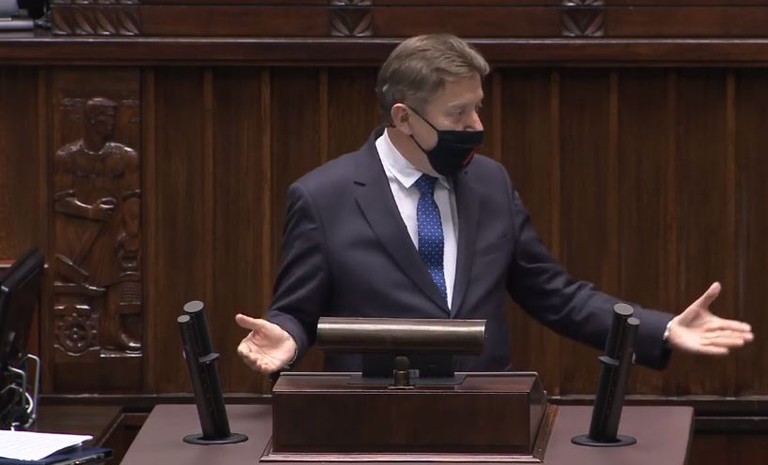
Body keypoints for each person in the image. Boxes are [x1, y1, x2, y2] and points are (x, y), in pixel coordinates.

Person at [236, 34, 753, 374]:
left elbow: (555, 295)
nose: (476, 126)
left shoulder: (489, 182)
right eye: (458, 113)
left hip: (490, 418)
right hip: (369, 423)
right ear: (404, 117)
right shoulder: (323, 196)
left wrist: (661, 328)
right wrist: (286, 336)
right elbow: (297, 310)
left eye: (478, 108)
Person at [53, 97, 142, 352]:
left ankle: (112, 331)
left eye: (114, 118)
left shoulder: (125, 156)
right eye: (106, 118)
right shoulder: (67, 157)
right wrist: (90, 211)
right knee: (81, 286)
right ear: (92, 121)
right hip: (77, 233)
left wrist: (132, 231)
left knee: (115, 281)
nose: (111, 123)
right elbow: (60, 200)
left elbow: (132, 196)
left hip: (112, 230)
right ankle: (81, 337)